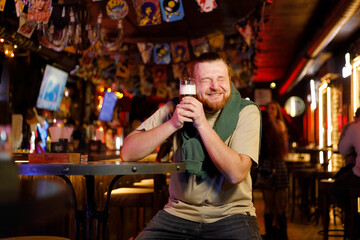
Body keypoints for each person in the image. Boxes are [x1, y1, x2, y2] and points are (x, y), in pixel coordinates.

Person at [120, 52, 262, 239]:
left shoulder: (246, 111)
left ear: (229, 80)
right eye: (206, 80)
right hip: (178, 213)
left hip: (232, 214)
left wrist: (201, 123)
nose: (215, 86)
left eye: (221, 78)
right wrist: (172, 124)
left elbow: (236, 173)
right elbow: (128, 153)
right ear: (191, 85)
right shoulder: (176, 108)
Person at [258, 101, 289, 240]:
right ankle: (270, 233)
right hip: (266, 165)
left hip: (279, 164)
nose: (270, 111)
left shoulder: (280, 126)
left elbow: (281, 147)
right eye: (269, 108)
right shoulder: (262, 126)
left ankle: (283, 234)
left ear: (277, 111)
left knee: (279, 203)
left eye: (273, 109)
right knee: (269, 203)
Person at [329, 107, 360, 238]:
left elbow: (342, 149)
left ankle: (355, 220)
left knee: (335, 188)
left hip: (358, 174)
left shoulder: (354, 127)